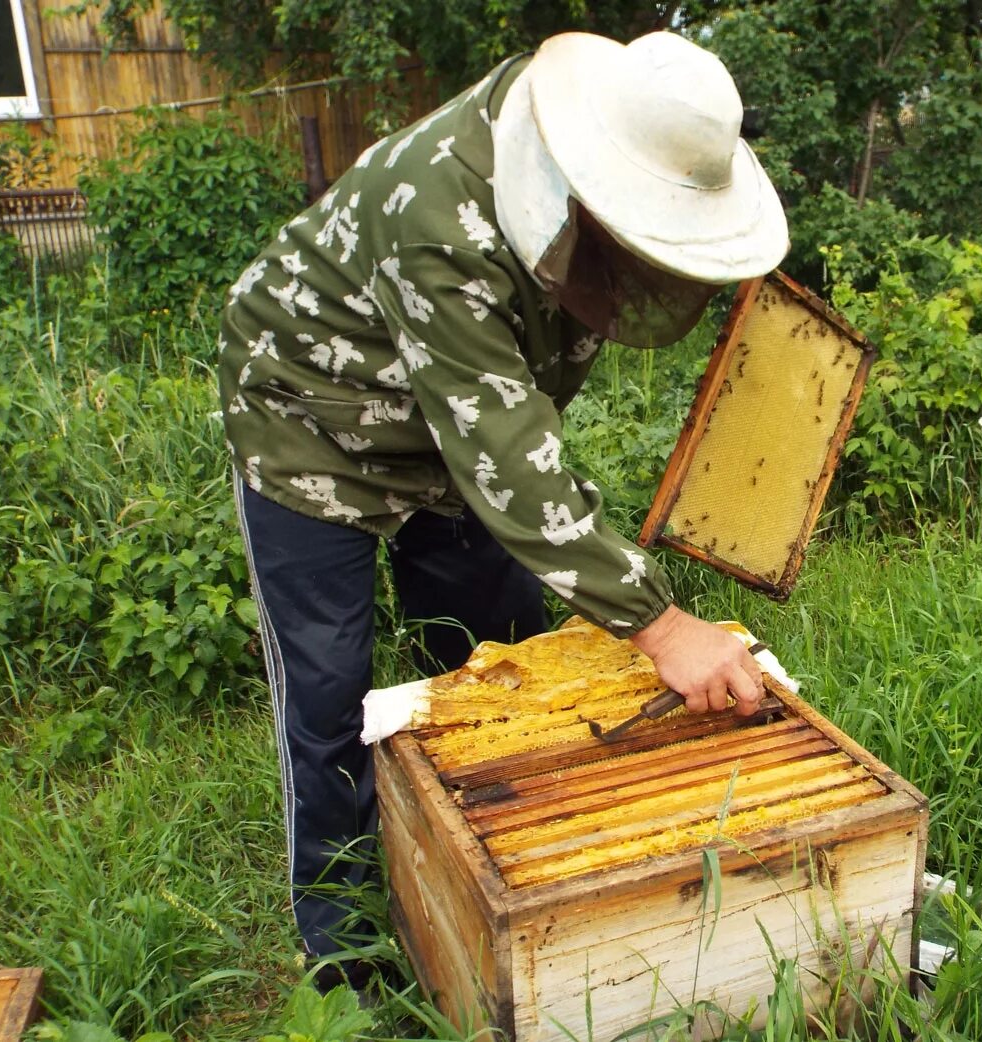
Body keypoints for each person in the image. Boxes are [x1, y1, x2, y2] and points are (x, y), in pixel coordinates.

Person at [216, 30, 788, 987]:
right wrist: (659, 623)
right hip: (311, 417)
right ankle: (349, 954)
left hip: (456, 426)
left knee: (507, 662)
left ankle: (493, 879)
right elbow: (511, 457)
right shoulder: (444, 220)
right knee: (328, 700)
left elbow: (501, 425)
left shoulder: (598, 156)